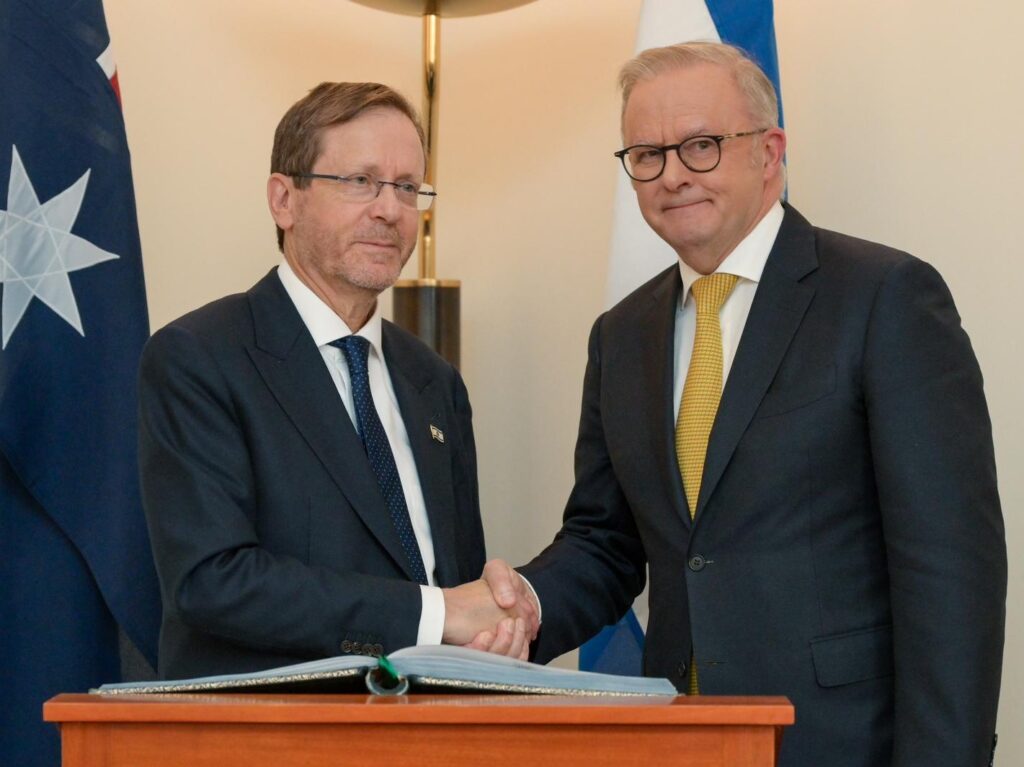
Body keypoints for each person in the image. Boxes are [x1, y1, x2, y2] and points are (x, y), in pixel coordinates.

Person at [480, 43, 1006, 766]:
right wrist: (524, 607)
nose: (672, 176)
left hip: (843, 742)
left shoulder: (884, 298)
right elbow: (606, 542)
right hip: (676, 740)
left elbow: (949, 567)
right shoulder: (622, 335)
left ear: (770, 151)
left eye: (700, 145)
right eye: (647, 154)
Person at [139, 82, 533, 681]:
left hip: (427, 735)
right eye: (359, 181)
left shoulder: (434, 381)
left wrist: (490, 631)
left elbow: (455, 589)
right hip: (265, 738)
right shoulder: (198, 357)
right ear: (283, 199)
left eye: (407, 187)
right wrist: (437, 613)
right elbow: (212, 581)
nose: (389, 209)